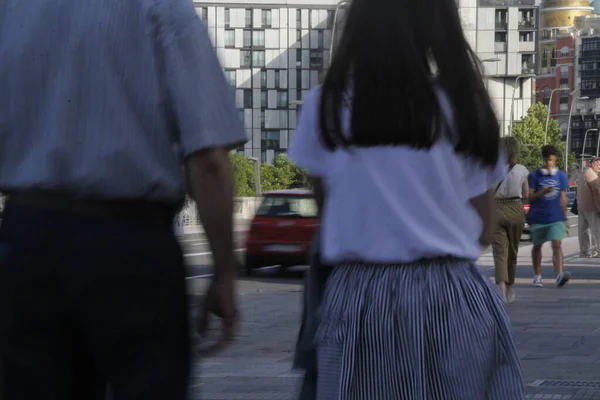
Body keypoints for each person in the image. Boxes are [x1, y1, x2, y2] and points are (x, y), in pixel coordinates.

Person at [0, 1, 245, 399]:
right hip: (131, 246)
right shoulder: (163, 9)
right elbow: (209, 161)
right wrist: (224, 273)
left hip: (27, 241)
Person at [287, 0, 523, 397]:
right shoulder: (465, 106)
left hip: (361, 303)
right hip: (452, 298)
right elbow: (483, 230)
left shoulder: (324, 106)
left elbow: (329, 212)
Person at [527, 145, 571, 288]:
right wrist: (542, 192)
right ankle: (537, 276)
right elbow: (530, 198)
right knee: (537, 246)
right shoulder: (534, 175)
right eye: (546, 160)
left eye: (551, 160)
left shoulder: (561, 176)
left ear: (555, 159)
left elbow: (563, 198)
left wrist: (565, 218)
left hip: (556, 217)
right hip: (538, 217)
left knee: (557, 244)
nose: (548, 164)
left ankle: (559, 275)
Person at [492, 137, 529, 304]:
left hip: (496, 209)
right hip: (515, 208)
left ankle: (500, 286)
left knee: (500, 252)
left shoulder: (491, 168)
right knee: (513, 251)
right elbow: (526, 193)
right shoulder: (521, 169)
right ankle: (510, 288)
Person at [577, 157, 600, 257]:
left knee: (583, 231)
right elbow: (597, 192)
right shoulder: (592, 175)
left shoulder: (584, 173)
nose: (599, 167)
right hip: (591, 207)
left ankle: (584, 252)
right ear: (593, 164)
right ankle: (597, 251)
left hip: (581, 207)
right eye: (599, 164)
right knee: (596, 230)